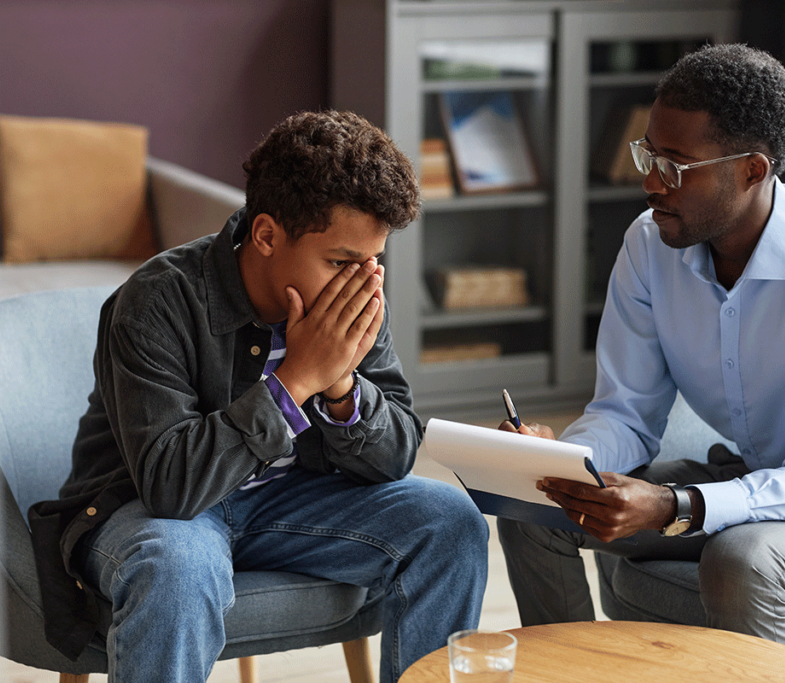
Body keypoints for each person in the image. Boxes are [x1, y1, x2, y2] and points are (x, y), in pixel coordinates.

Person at [28, 110, 489, 683]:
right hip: (150, 511)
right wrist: (295, 382)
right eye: (341, 262)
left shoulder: (354, 298)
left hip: (288, 503)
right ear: (267, 235)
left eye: (375, 261)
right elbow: (171, 488)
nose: (364, 281)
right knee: (178, 567)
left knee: (451, 521)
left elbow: (395, 458)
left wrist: (342, 387)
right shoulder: (156, 301)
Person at [497, 43, 785, 646]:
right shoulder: (648, 245)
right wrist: (562, 466)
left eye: (675, 167)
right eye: (647, 155)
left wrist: (674, 504)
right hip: (752, 473)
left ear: (752, 170)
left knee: (742, 558)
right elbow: (624, 414)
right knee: (536, 513)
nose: (649, 183)